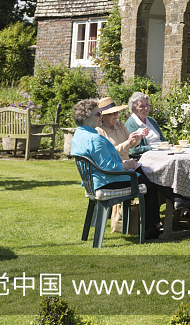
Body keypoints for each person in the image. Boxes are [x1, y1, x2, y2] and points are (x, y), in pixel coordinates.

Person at [70, 98, 164, 240]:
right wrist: (126, 165)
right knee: (150, 184)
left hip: (94, 181)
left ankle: (153, 223)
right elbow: (108, 167)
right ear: (86, 118)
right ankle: (151, 228)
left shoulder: (79, 134)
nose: (101, 117)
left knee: (144, 176)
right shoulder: (95, 139)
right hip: (106, 181)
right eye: (98, 114)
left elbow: (104, 163)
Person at [95, 96, 149, 233]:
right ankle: (149, 225)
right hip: (116, 170)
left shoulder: (119, 125)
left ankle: (152, 221)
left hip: (128, 166)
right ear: (103, 116)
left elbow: (131, 145)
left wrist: (138, 137)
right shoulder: (99, 131)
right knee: (150, 183)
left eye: (117, 112)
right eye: (112, 113)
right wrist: (128, 143)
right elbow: (109, 153)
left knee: (153, 175)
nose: (116, 115)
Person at [125, 92, 164, 156]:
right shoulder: (130, 124)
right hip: (148, 156)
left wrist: (168, 145)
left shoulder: (151, 120)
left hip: (162, 152)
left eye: (147, 104)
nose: (146, 108)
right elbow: (134, 149)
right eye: (142, 106)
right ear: (133, 110)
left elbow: (162, 140)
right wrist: (155, 148)